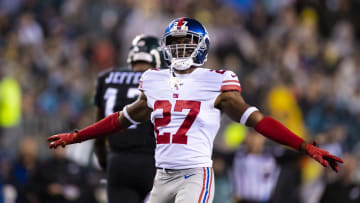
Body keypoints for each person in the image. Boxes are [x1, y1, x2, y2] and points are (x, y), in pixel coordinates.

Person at [47, 17, 343, 203]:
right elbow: (119, 120)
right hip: (161, 176)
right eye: (174, 44)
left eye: (187, 43)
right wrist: (77, 136)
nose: (180, 50)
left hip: (195, 175)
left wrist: (303, 146)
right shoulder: (153, 80)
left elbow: (258, 121)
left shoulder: (217, 81)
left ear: (201, 46)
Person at [93, 34, 162, 203]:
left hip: (118, 162)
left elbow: (99, 132)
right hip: (152, 162)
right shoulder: (164, 80)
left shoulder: (107, 78)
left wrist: (106, 164)